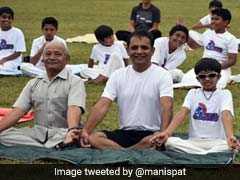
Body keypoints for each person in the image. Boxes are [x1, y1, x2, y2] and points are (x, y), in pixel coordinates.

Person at [80, 30, 173, 149]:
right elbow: (102, 105)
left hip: (151, 134)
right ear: (128, 50)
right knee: (94, 138)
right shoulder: (118, 75)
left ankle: (123, 153)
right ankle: (131, 153)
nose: (139, 51)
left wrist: (163, 133)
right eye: (134, 48)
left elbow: (167, 106)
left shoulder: (163, 75)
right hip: (125, 133)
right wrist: (86, 131)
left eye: (144, 48)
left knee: (153, 141)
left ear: (152, 51)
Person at [0, 41, 86, 148]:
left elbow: (74, 108)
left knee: (76, 137)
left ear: (67, 59)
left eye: (57, 54)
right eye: (48, 54)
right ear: (42, 59)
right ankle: (49, 147)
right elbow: (18, 111)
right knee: (4, 135)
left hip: (62, 133)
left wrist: (72, 130)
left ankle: (55, 145)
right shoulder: (33, 83)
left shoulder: (75, 82)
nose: (52, 57)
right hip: (37, 134)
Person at [151, 58, 240, 154]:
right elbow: (182, 113)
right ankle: (206, 154)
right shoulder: (192, 93)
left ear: (219, 77)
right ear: (197, 79)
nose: (207, 79)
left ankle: (199, 154)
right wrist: (167, 133)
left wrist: (230, 136)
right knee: (169, 141)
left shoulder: (225, 93)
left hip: (217, 142)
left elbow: (226, 114)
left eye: (212, 75)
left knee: (230, 145)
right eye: (202, 76)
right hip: (193, 142)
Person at [185, 8, 238, 89]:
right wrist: (185, 34)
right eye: (212, 19)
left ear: (226, 22)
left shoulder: (231, 39)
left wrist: (215, 68)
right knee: (186, 80)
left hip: (221, 69)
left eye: (216, 19)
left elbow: (232, 60)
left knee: (217, 85)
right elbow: (194, 46)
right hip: (203, 66)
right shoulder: (208, 33)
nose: (213, 21)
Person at [0, 6, 26, 75]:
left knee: (6, 66)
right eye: (4, 17)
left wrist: (4, 59)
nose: (7, 20)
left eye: (9, 18)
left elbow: (18, 53)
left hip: (12, 61)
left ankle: (17, 72)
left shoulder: (18, 32)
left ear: (12, 19)